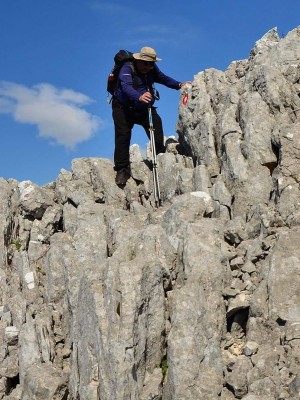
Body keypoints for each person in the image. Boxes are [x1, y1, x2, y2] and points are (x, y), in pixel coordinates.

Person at [112, 46, 191, 185]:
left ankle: (160, 157)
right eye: (146, 63)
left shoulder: (152, 69)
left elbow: (163, 78)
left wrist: (179, 84)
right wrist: (139, 96)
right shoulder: (127, 68)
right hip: (122, 108)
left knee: (157, 125)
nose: (148, 66)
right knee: (123, 135)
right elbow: (126, 87)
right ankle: (122, 169)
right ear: (139, 60)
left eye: (151, 63)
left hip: (144, 107)